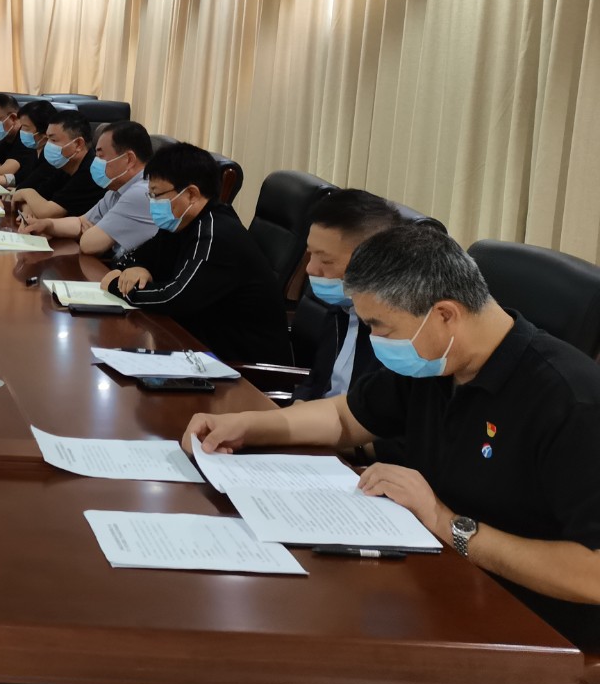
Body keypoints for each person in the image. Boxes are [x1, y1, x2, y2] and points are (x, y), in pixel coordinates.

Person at [185, 225, 600, 654]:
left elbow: (593, 575)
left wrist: (445, 522)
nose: (375, 341)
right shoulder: (438, 360)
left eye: (380, 327)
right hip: (436, 576)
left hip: (532, 627)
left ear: (445, 314)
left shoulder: (572, 402)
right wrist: (249, 425)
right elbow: (346, 417)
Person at [99, 143, 288, 364]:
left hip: (240, 365)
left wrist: (118, 287)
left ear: (191, 194)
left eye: (157, 195)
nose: (153, 204)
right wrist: (137, 268)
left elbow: (175, 297)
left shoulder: (215, 235)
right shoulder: (178, 224)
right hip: (196, 347)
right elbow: (130, 259)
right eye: (150, 195)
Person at [294, 190, 407, 400]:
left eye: (326, 261)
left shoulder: (401, 337)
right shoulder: (341, 308)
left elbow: (373, 413)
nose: (310, 269)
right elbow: (316, 382)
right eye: (310, 254)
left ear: (374, 262)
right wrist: (298, 406)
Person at [20, 120, 155, 257]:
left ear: (129, 159)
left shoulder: (142, 193)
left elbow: (90, 245)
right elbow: (80, 222)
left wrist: (91, 231)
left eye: (101, 156)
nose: (96, 162)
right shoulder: (116, 190)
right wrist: (47, 225)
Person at [9, 111, 104, 219]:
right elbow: (36, 201)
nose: (48, 145)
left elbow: (46, 212)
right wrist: (29, 210)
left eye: (53, 140)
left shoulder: (91, 172)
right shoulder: (65, 165)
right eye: (48, 139)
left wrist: (26, 193)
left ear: (78, 144)